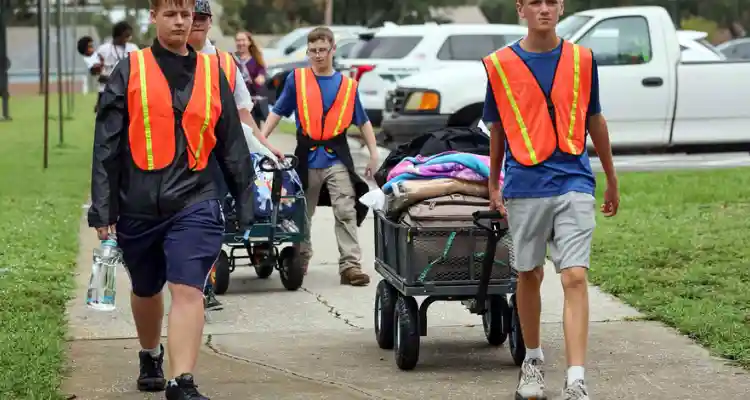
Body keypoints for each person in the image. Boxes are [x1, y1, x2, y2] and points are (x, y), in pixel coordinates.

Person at [88, 0, 254, 397]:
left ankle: (182, 381)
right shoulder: (130, 69)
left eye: (187, 15)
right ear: (154, 17)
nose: (180, 22)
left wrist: (245, 199)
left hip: (195, 199)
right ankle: (150, 353)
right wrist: (103, 207)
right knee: (146, 288)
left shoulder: (213, 74)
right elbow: (106, 144)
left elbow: (231, 142)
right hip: (138, 203)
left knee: (187, 286)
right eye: (171, 14)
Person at [482, 1, 619, 399]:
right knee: (529, 274)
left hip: (574, 180)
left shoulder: (583, 59)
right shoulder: (500, 65)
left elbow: (595, 118)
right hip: (524, 183)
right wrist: (494, 183)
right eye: (535, 2)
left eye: (551, 2)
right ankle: (533, 361)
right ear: (521, 8)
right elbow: (498, 130)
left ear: (561, 7)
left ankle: (576, 378)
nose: (544, 9)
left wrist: (610, 177)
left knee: (575, 276)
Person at [256, 26, 379, 286]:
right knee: (302, 211)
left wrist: (373, 153)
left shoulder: (348, 86)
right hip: (306, 156)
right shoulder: (296, 79)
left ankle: (350, 266)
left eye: (323, 50)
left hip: (336, 155)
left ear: (333, 49)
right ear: (308, 51)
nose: (318, 55)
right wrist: (262, 140)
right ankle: (300, 257)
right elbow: (278, 111)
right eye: (313, 51)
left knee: (345, 208)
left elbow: (363, 121)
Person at [186, 0, 264, 311]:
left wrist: (263, 144)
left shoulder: (224, 63)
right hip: (174, 159)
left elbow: (242, 112)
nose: (197, 24)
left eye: (203, 18)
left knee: (208, 221)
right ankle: (187, 281)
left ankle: (201, 286)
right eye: (193, 17)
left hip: (214, 158)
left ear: (209, 22)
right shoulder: (163, 60)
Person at [94, 21, 139, 112]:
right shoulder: (103, 49)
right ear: (119, 35)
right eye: (127, 35)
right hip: (106, 91)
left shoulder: (133, 48)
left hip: (126, 92)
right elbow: (96, 71)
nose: (129, 38)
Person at [234, 31, 269, 127]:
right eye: (238, 40)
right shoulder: (232, 58)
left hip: (252, 103)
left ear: (249, 42)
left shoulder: (255, 59)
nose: (240, 43)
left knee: (254, 132)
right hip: (236, 102)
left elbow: (262, 73)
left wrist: (260, 78)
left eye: (243, 40)